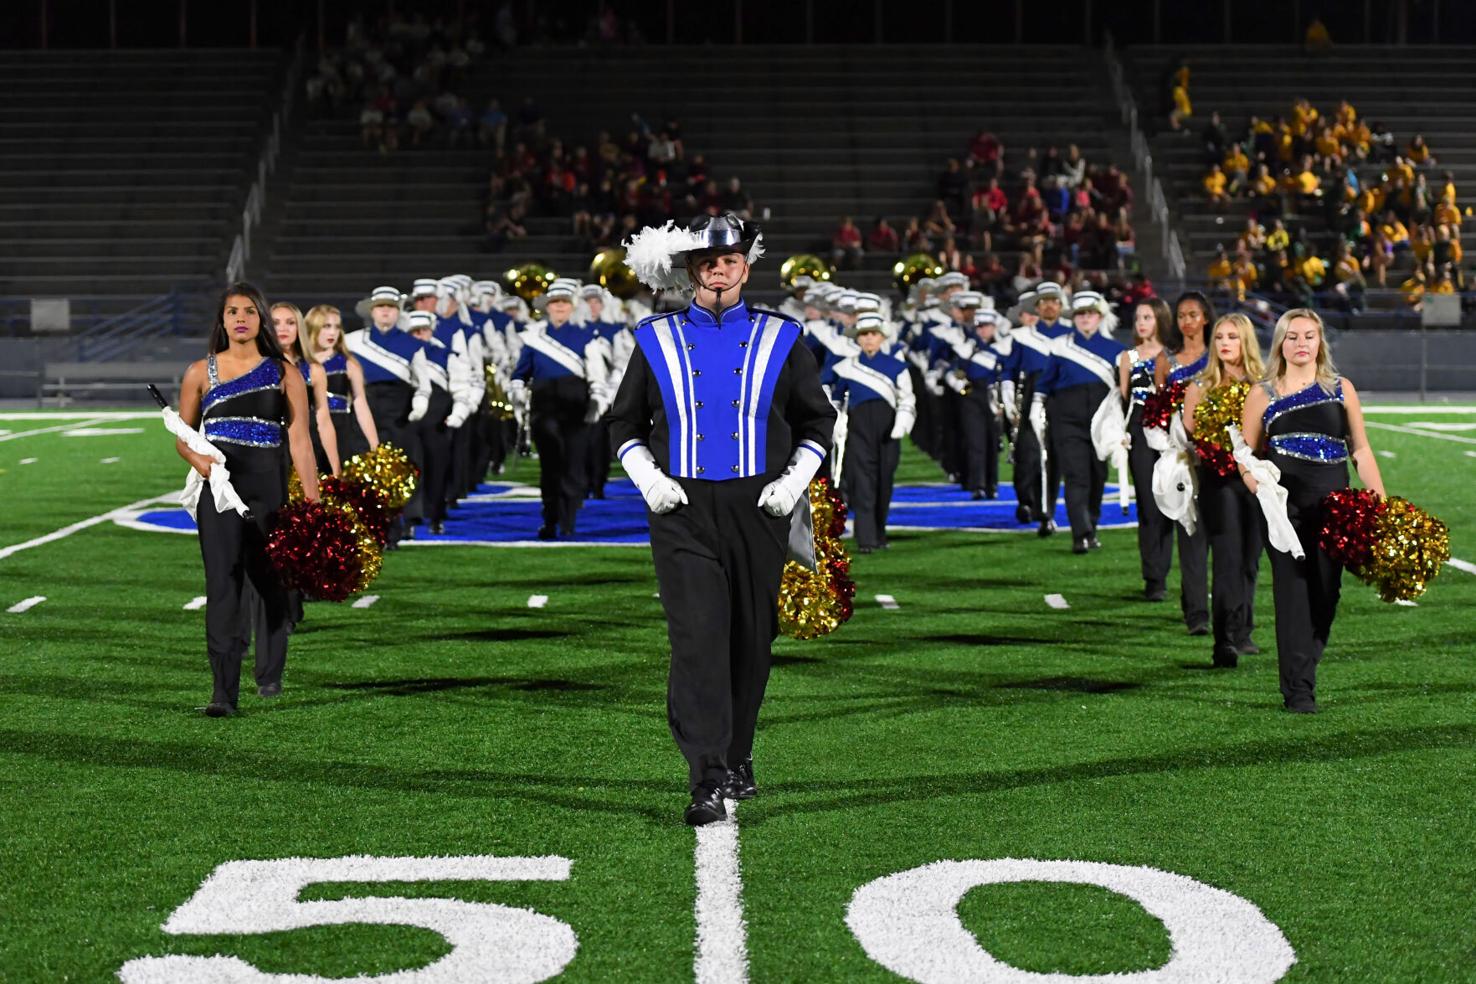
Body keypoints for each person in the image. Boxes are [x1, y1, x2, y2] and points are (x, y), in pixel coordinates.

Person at [612, 211, 835, 824]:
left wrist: (792, 483)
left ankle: (738, 754)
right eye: (708, 262)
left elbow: (818, 421)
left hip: (759, 508)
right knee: (698, 639)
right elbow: (623, 423)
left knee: (751, 641)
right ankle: (706, 776)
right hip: (680, 508)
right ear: (691, 270)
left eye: (730, 260)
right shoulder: (654, 337)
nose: (719, 270)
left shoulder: (783, 337)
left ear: (745, 267)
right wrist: (649, 480)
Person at [174, 283, 320, 716]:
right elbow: (183, 437)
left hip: (268, 487)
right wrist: (199, 460)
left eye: (249, 311)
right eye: (232, 311)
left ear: (261, 320)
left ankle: (270, 671)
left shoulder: (283, 372)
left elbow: (300, 440)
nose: (240, 318)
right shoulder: (199, 371)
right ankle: (223, 693)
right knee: (222, 583)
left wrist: (312, 503)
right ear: (222, 320)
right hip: (219, 490)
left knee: (270, 581)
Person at [1239, 309, 1384, 712]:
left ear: (1320, 342)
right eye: (1293, 336)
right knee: (1292, 593)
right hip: (1283, 509)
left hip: (1335, 509)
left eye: (1309, 336)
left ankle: (1305, 662)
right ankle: (1298, 690)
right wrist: (1260, 489)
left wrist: (1380, 502)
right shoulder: (1263, 393)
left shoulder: (1341, 389)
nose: (1301, 343)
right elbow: (1245, 456)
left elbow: (1360, 449)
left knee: (1326, 591)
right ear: (1280, 344)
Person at [1182, 313, 1264, 667]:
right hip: (1219, 481)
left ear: (1246, 341)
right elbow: (1188, 433)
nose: (1225, 343)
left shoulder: (1264, 385)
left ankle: (1244, 630)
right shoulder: (1201, 386)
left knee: (1250, 559)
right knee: (1227, 558)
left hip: (1257, 480)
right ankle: (1224, 640)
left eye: (1233, 337)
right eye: (1219, 337)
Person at [509, 278, 611, 539]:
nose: (559, 307)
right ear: (548, 307)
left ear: (572, 306)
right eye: (555, 303)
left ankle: (568, 518)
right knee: (551, 466)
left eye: (564, 303)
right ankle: (551, 518)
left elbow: (596, 374)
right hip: (544, 408)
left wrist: (597, 400)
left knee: (573, 465)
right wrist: (517, 391)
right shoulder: (534, 337)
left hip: (576, 408)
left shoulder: (587, 334)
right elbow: (520, 374)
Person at [1036, 291, 1125, 553]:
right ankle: (1080, 534)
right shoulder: (1060, 346)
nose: (1085, 318)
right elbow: (1044, 383)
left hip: (1102, 422)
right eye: (1080, 314)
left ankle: (1091, 528)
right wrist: (1035, 408)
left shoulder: (1117, 350)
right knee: (1076, 476)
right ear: (1073, 318)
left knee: (1098, 476)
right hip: (1067, 420)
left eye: (1090, 314)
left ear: (1100, 317)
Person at [347, 284, 430, 543]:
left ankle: (397, 526)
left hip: (399, 414)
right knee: (365, 470)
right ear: (372, 311)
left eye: (391, 307)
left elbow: (423, 384)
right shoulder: (352, 341)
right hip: (364, 412)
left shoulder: (413, 344)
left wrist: (419, 405)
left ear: (398, 312)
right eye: (381, 307)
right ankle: (369, 526)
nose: (385, 312)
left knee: (397, 472)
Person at [828, 312, 915, 552]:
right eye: (863, 334)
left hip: (888, 427)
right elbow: (835, 398)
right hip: (858, 428)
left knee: (884, 481)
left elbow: (907, 398)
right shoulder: (846, 367)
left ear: (882, 337)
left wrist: (901, 424)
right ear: (857, 338)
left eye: (873, 334)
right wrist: (837, 424)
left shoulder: (897, 366)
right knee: (862, 483)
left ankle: (879, 534)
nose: (868, 339)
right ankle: (866, 539)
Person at [1155, 291, 1213, 635]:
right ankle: (1196, 613)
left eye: (1193, 314)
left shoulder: (1219, 356)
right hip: (1180, 457)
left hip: (1217, 456)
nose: (1187, 321)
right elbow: (1157, 412)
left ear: (1205, 317)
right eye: (1181, 316)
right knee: (1189, 531)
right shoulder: (1167, 360)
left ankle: (1229, 610)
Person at [1119, 299, 1171, 600]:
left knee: (1171, 502)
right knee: (1148, 504)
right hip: (1139, 429)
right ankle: (1154, 578)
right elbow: (1124, 401)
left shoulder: (1173, 355)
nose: (1141, 323)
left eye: (1148, 317)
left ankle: (1166, 569)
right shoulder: (1127, 357)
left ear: (1160, 319)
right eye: (1138, 317)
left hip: (1170, 431)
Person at [406, 310, 473, 535]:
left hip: (438, 421)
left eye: (423, 331)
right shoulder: (402, 353)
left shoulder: (446, 355)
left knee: (437, 470)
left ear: (431, 331)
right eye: (415, 332)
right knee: (410, 471)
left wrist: (457, 415)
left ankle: (435, 516)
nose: (419, 336)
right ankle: (410, 519)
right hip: (410, 421)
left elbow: (460, 387)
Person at [304, 304, 379, 466]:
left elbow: (361, 404)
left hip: (340, 431)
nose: (333, 332)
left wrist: (375, 446)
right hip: (306, 431)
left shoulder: (348, 364)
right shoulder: (298, 364)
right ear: (313, 327)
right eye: (326, 326)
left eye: (337, 327)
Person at [272, 302, 338, 476]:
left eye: (290, 322)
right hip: (269, 448)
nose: (283, 328)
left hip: (306, 446)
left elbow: (323, 419)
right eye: (276, 323)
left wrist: (336, 468)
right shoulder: (258, 367)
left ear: (299, 328)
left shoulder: (314, 369)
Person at [950, 310, 1005, 500]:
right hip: (972, 396)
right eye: (979, 327)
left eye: (986, 326)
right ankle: (978, 485)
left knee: (993, 442)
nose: (983, 330)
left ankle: (992, 484)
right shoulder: (967, 347)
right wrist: (958, 384)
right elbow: (954, 370)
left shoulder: (1003, 347)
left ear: (994, 327)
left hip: (994, 396)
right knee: (975, 442)